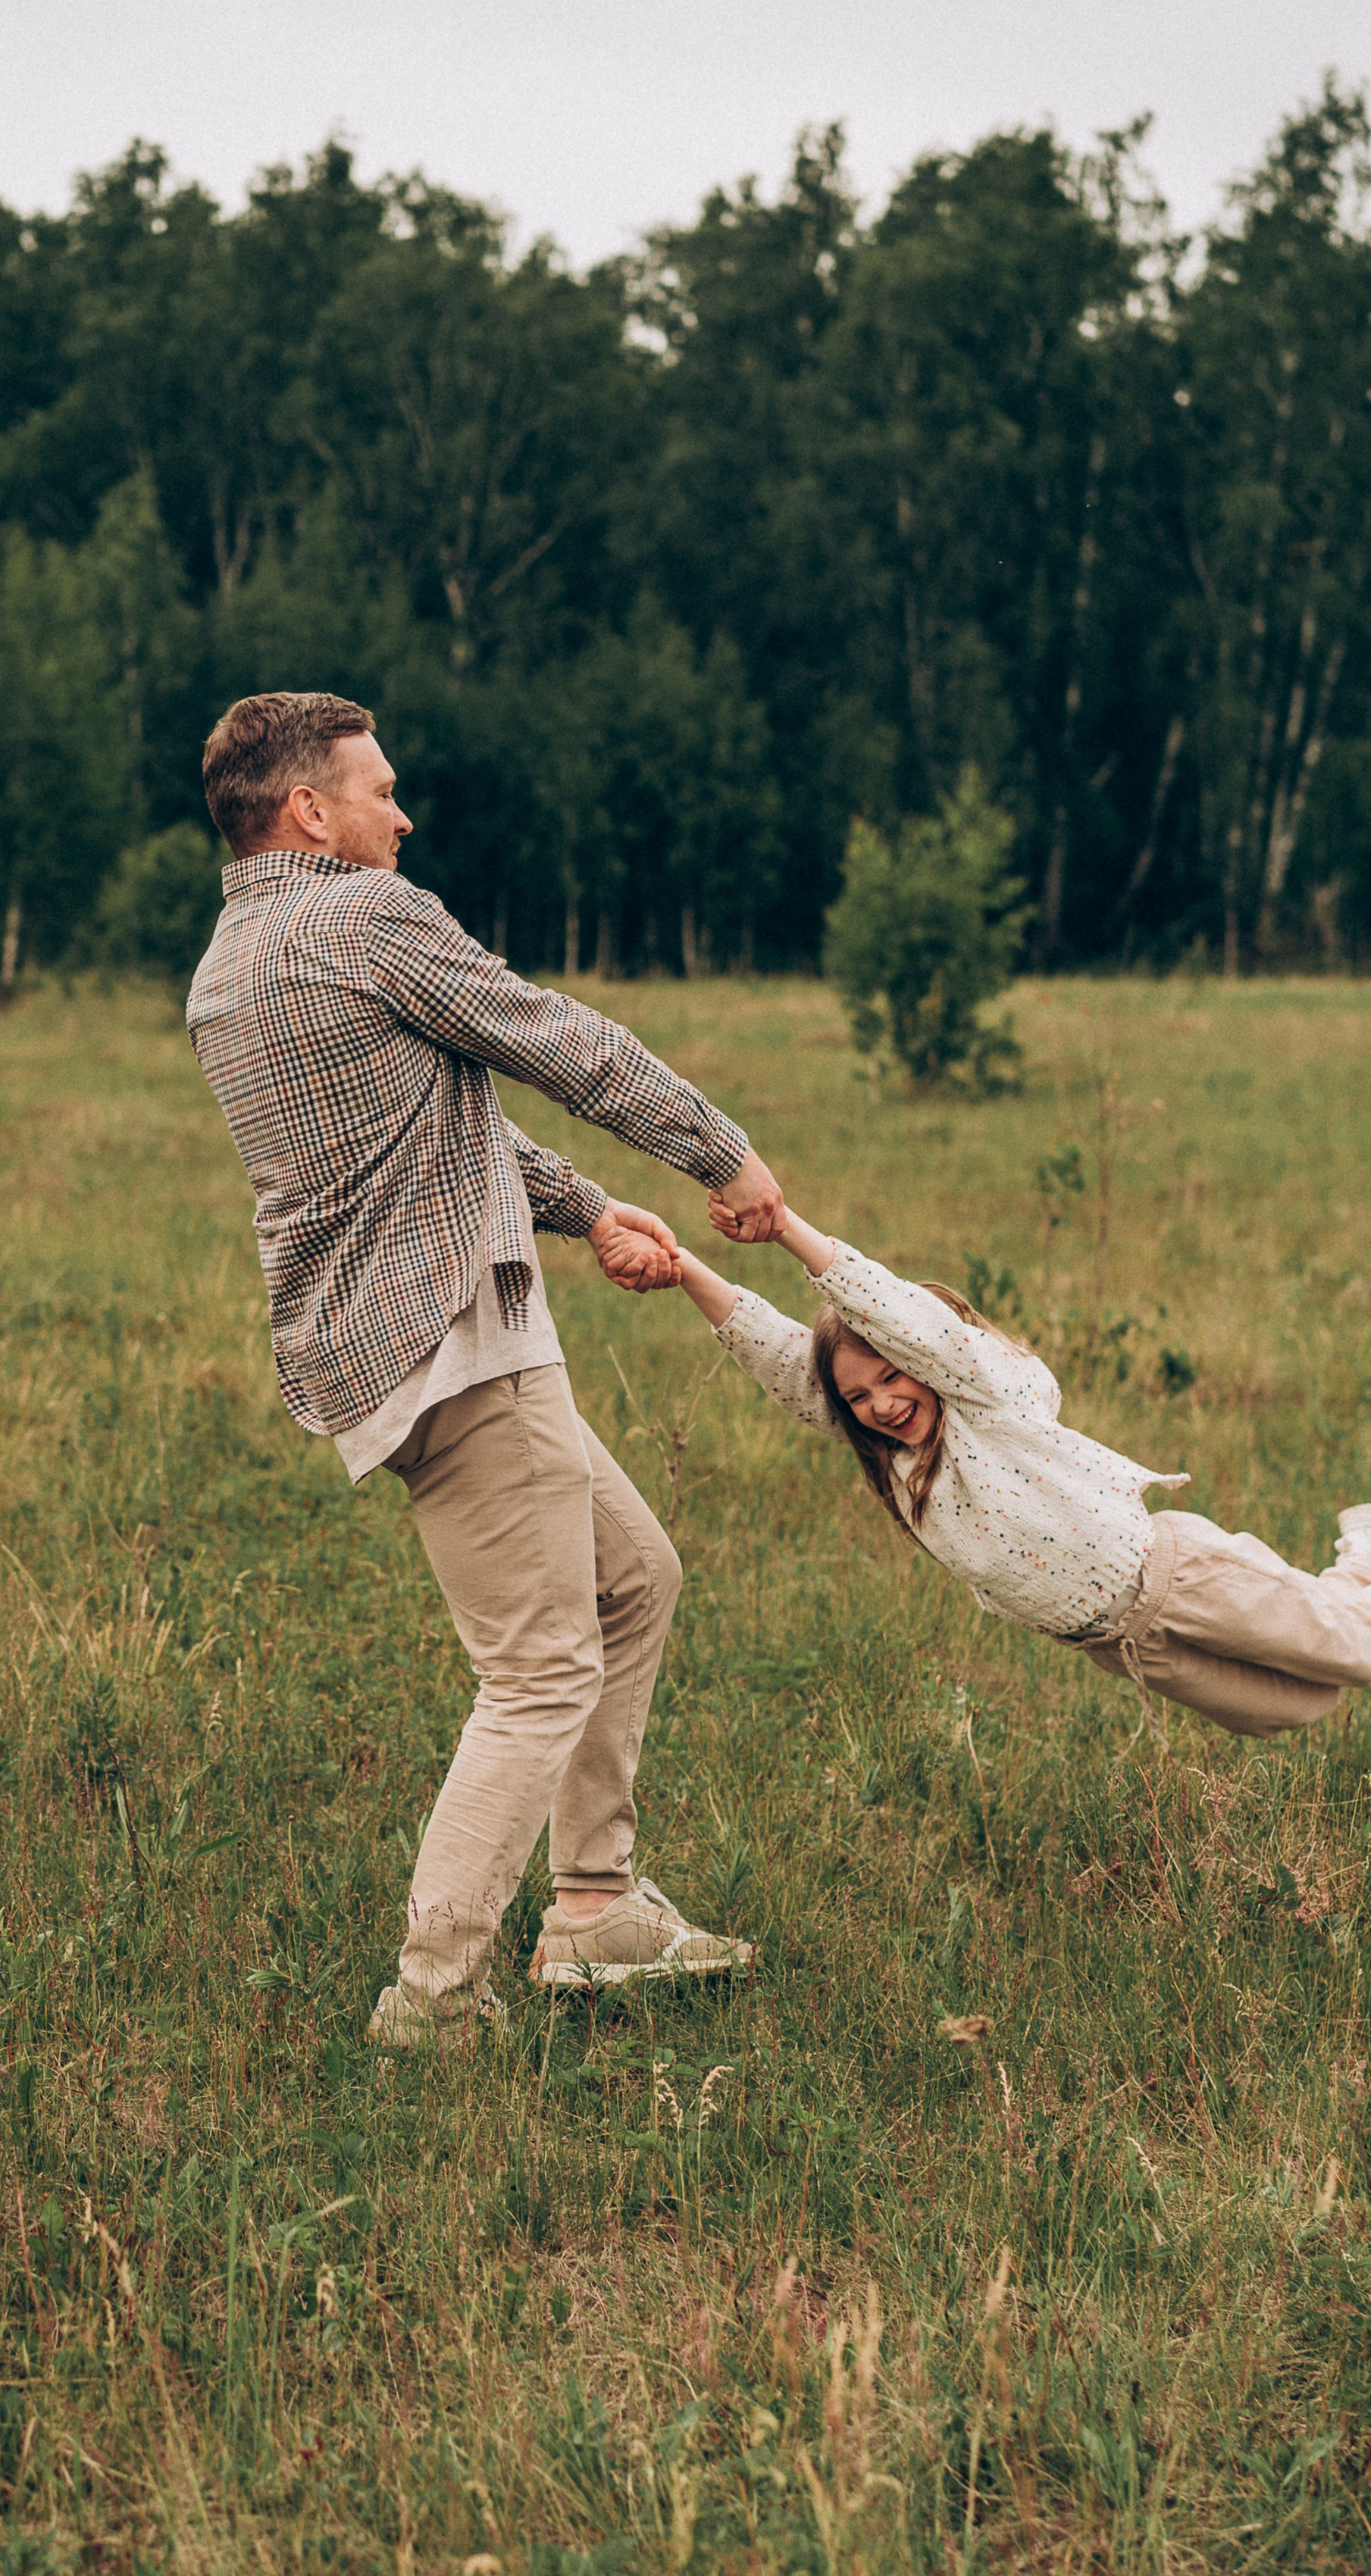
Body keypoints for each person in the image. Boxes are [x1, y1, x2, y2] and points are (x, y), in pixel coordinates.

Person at [186, 691, 784, 2046]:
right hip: (457, 1341)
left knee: (631, 1580)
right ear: (309, 811)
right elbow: (552, 1037)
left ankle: (597, 1905)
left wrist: (587, 1208)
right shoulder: (361, 916)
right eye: (380, 790)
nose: (402, 816)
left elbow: (427, 1126)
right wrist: (721, 1155)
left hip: (384, 1349)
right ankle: (435, 1995)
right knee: (541, 1669)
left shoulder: (233, 962)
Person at [669, 1198, 1371, 1736]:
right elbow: (788, 1365)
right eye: (860, 1397)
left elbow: (904, 1319)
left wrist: (788, 1231)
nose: (881, 1404)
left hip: (1176, 1575)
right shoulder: (898, 1462)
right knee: (1296, 1706)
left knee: (1354, 1652)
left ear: (926, 1360)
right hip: (1118, 1640)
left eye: (892, 1378)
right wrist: (683, 1270)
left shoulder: (986, 1403)